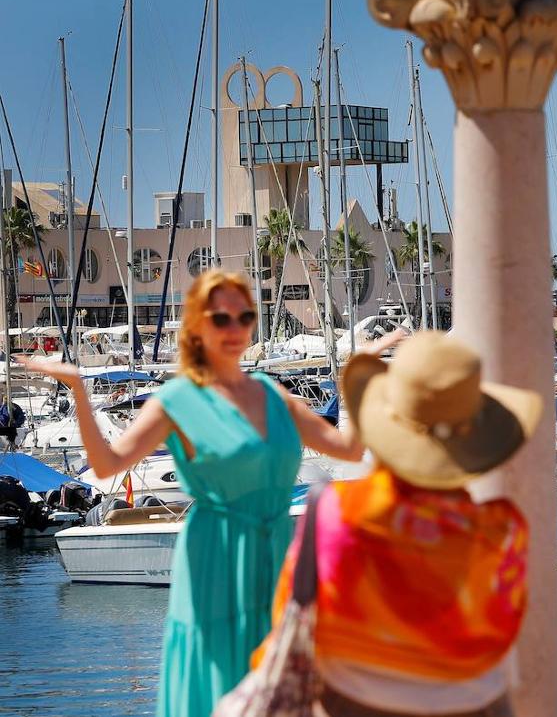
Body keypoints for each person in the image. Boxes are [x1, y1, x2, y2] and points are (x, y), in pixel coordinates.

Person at [19, 269, 405, 717]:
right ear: (198, 325)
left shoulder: (272, 395)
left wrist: (355, 378)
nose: (236, 329)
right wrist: (80, 393)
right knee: (224, 680)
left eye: (245, 317)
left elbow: (349, 446)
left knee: (283, 684)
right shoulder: (178, 400)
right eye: (222, 318)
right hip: (216, 560)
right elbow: (107, 465)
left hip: (279, 554)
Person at [254, 331, 540, 716]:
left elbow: (291, 617)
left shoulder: (336, 512)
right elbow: (504, 631)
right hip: (475, 704)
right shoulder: (501, 529)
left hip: (352, 701)